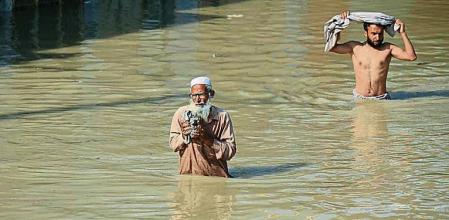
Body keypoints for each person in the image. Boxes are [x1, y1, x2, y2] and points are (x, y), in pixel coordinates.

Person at [329, 11, 417, 100]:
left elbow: (411, 57)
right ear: (365, 33)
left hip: (382, 99)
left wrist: (403, 33)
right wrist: (339, 27)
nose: (377, 38)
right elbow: (332, 47)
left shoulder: (388, 48)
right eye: (374, 34)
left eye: (380, 34)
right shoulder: (355, 47)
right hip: (360, 99)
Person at [169, 76, 236, 177]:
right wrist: (184, 136)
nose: (197, 99)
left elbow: (230, 151)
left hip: (216, 177)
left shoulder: (222, 116)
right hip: (188, 176)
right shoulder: (181, 114)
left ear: (211, 94)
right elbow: (173, 145)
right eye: (194, 95)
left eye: (201, 94)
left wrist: (209, 140)